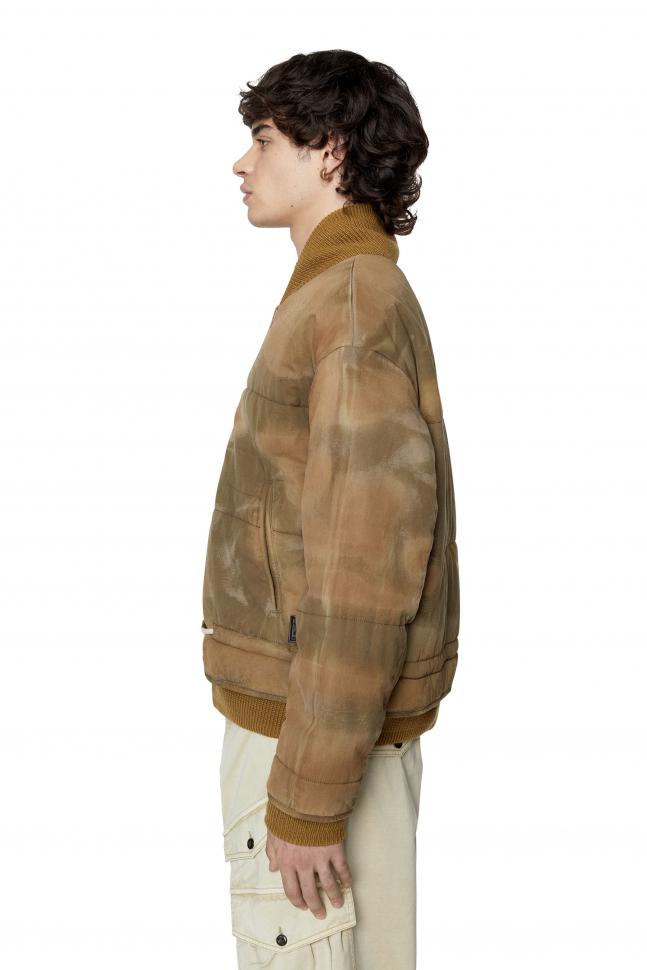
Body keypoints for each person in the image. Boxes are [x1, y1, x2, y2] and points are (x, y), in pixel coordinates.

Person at [201, 49, 460, 969]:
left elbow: (363, 569)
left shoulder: (349, 302)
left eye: (264, 138)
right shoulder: (341, 291)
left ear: (330, 152)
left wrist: (307, 800)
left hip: (307, 741)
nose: (241, 162)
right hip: (319, 728)